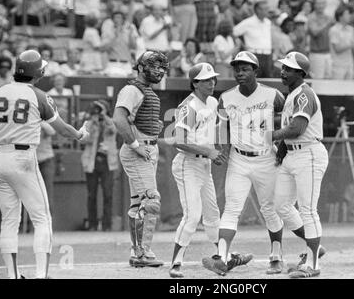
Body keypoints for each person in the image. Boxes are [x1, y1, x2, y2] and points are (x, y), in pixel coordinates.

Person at [0, 50, 89, 279]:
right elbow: (63, 129)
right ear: (39, 73)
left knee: (9, 219)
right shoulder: (39, 95)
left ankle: (13, 275)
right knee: (42, 218)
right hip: (23, 157)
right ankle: (40, 274)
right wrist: (80, 135)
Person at [202, 51, 285, 276]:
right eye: (237, 68)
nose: (240, 72)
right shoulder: (226, 97)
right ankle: (221, 257)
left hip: (266, 157)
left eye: (245, 68)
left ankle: (276, 255)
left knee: (269, 208)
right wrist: (223, 149)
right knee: (231, 208)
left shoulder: (273, 94)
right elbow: (222, 129)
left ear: (256, 71)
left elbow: (286, 120)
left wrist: (282, 148)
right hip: (239, 159)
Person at [264, 51, 328, 278]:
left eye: (288, 69)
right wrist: (281, 150)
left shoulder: (304, 95)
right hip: (293, 154)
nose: (283, 71)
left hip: (309, 153)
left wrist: (270, 136)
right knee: (281, 205)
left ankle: (313, 265)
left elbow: (297, 129)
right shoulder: (291, 94)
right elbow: (290, 133)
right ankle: (315, 247)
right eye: (283, 67)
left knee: (308, 209)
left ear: (300, 73)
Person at [169, 63, 227, 278]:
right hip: (187, 163)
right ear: (195, 83)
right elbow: (179, 141)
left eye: (213, 79)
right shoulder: (189, 106)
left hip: (204, 164)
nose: (212, 83)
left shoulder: (212, 102)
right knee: (193, 216)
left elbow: (211, 132)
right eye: (206, 80)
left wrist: (215, 150)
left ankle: (219, 258)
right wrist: (208, 151)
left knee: (213, 214)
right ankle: (176, 263)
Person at [112, 51, 169, 268]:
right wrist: (135, 145)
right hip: (139, 150)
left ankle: (138, 252)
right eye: (154, 66)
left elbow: (135, 119)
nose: (159, 70)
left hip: (147, 148)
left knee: (138, 204)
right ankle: (142, 252)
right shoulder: (131, 89)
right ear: (141, 67)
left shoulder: (146, 90)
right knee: (151, 201)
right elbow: (118, 119)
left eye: (162, 67)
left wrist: (154, 128)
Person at [81, 100, 118, 232]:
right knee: (92, 195)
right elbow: (85, 139)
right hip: (92, 162)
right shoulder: (89, 123)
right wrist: (93, 121)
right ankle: (92, 224)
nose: (98, 112)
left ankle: (107, 225)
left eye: (100, 109)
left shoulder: (111, 121)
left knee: (108, 194)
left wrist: (104, 116)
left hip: (108, 162)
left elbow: (113, 130)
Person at [233, 1, 273, 78]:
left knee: (268, 81)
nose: (267, 11)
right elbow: (234, 32)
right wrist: (240, 43)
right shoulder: (248, 22)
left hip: (268, 55)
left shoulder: (268, 22)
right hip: (254, 55)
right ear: (258, 10)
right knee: (254, 80)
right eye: (265, 9)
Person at [307, 0, 333, 79]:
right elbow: (315, 32)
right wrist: (326, 22)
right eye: (318, 3)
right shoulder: (311, 17)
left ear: (325, 5)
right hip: (316, 54)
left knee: (328, 79)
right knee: (318, 81)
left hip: (328, 53)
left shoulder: (328, 17)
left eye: (322, 3)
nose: (320, 6)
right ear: (314, 5)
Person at [329, 5, 354, 80]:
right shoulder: (334, 30)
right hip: (338, 65)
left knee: (350, 88)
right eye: (347, 14)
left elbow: (353, 48)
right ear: (340, 16)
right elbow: (337, 49)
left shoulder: (351, 29)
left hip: (349, 64)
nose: (349, 16)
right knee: (337, 89)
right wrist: (351, 45)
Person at [36, 122, 56, 214]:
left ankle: (48, 223)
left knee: (46, 193)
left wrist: (39, 122)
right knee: (29, 193)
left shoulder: (44, 123)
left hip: (46, 160)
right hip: (32, 162)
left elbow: (52, 131)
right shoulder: (26, 122)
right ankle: (28, 225)